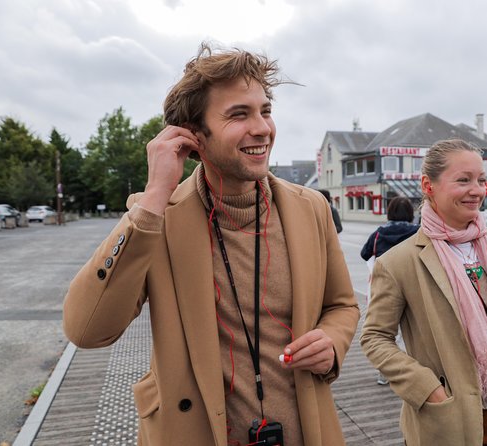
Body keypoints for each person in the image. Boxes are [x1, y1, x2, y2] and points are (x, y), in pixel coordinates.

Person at [63, 43, 359, 446]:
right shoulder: (157, 218)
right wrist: (152, 200)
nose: (262, 128)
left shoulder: (311, 208)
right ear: (194, 135)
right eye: (239, 114)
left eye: (265, 110)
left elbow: (341, 304)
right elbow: (87, 330)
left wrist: (332, 341)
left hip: (305, 430)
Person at [360, 139, 487, 445]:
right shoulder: (399, 262)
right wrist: (427, 389)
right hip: (455, 416)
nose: (476, 190)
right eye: (463, 180)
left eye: (481, 180)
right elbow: (374, 338)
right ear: (428, 185)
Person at [360, 196, 419, 385]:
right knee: (412, 331)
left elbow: (365, 254)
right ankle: (413, 370)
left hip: (385, 288)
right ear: (411, 213)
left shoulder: (379, 233)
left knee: (384, 333)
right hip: (414, 286)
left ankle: (385, 373)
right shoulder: (418, 232)